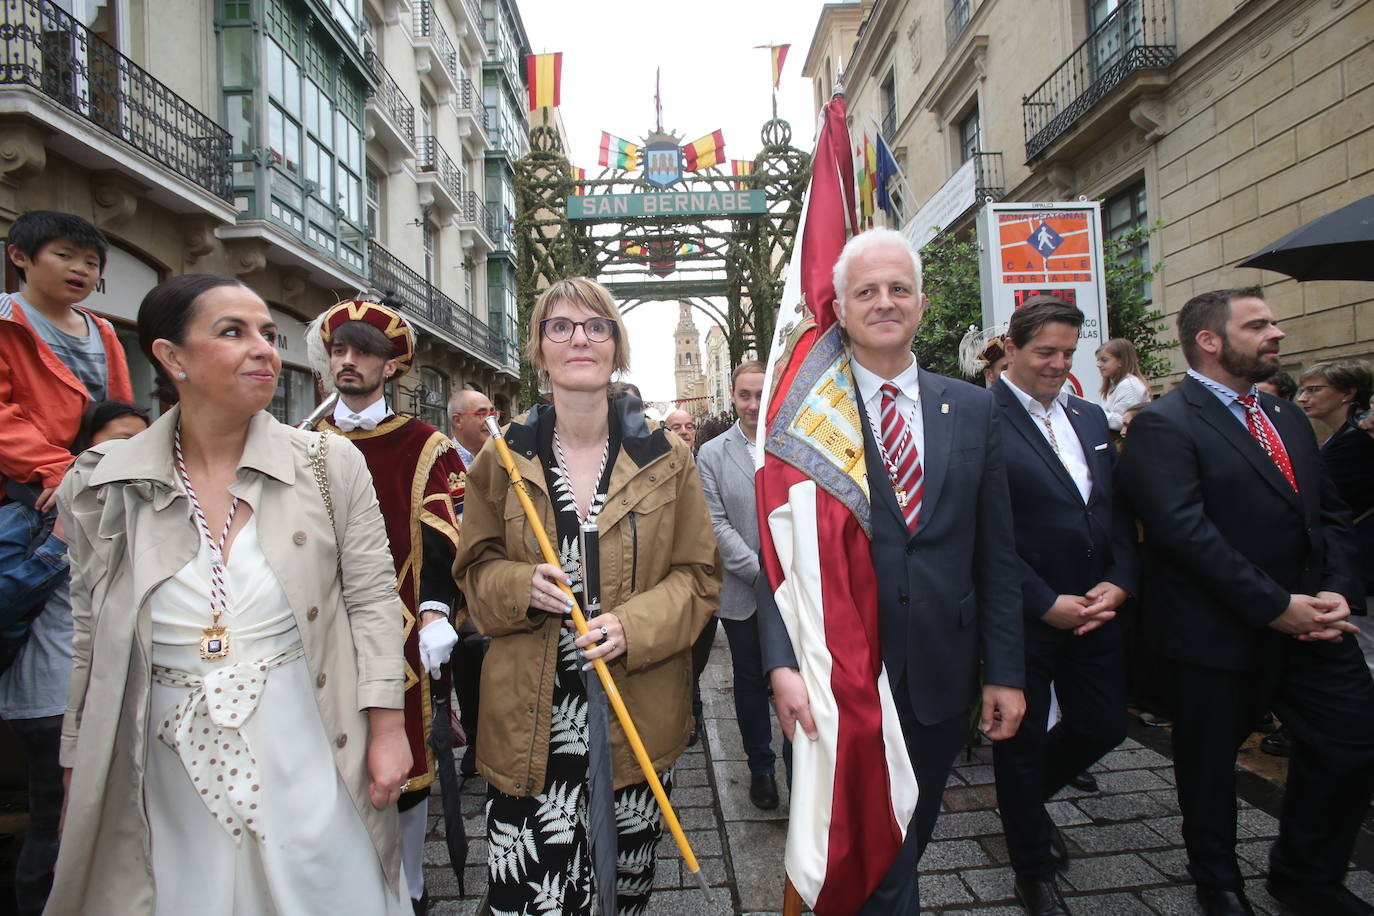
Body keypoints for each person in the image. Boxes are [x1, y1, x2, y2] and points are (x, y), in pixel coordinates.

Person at [47, 274, 413, 915]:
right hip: (164, 757)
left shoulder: (328, 465)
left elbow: (374, 601)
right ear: (172, 357)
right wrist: (78, 760)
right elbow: (89, 635)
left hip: (307, 739)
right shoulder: (105, 485)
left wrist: (388, 729)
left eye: (269, 335)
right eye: (233, 332)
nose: (264, 350)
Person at [758, 229, 1025, 913]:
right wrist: (779, 665)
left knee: (908, 840)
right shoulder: (807, 421)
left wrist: (1005, 672)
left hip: (941, 676)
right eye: (866, 291)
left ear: (922, 305)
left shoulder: (973, 408)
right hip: (836, 676)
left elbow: (996, 552)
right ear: (839, 310)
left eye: (898, 288)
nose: (884, 302)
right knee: (862, 861)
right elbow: (776, 553)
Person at [454, 277, 719, 915]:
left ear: (616, 348)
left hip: (633, 713)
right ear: (539, 350)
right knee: (529, 899)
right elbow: (473, 575)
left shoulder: (666, 458)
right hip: (530, 723)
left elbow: (699, 577)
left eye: (596, 326)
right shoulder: (502, 458)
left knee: (620, 895)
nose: (579, 338)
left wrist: (633, 625)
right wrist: (520, 585)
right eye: (561, 327)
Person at [1118, 287, 1374, 916]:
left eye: (1273, 323)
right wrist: (1273, 604)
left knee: (1352, 741)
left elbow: (1331, 516)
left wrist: (1337, 592)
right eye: (1258, 324)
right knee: (1208, 767)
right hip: (1218, 631)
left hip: (1315, 626)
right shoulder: (1164, 424)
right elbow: (1184, 534)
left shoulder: (1287, 418)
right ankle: (1219, 882)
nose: (1277, 333)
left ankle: (1306, 877)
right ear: (1210, 341)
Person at [310, 298, 464, 915]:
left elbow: (440, 538)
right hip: (317, 622)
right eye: (339, 351)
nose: (347, 362)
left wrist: (434, 612)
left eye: (362, 352)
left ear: (391, 366)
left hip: (399, 625)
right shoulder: (301, 442)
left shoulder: (425, 445)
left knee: (404, 760)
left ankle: (410, 889)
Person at [990, 298, 1138, 916]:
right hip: (1026, 613)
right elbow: (985, 532)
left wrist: (1121, 580)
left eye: (1067, 354)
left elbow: (1114, 511)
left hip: (1096, 607)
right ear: (1012, 348)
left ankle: (1023, 802)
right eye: (1045, 352)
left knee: (1104, 723)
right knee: (1019, 742)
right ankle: (1033, 866)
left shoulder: (1090, 416)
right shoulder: (982, 418)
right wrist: (1042, 601)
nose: (1057, 365)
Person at [0, 401, 147, 916]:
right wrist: (56, 546)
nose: (129, 454)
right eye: (115, 442)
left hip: (111, 697)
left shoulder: (141, 509)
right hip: (46, 700)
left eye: (140, 443)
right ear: (82, 452)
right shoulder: (33, 514)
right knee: (57, 822)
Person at [1, 211, 133, 508]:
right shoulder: (5, 320)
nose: (80, 269)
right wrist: (54, 467)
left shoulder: (104, 331)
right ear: (19, 256)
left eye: (91, 262)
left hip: (93, 474)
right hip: (25, 480)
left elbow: (119, 409)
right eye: (64, 255)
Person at [696, 360, 780, 810]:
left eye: (760, 395)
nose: (752, 405)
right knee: (749, 680)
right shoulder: (712, 454)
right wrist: (762, 574)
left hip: (799, 590)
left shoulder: (794, 441)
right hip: (745, 592)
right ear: (733, 397)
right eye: (745, 395)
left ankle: (800, 764)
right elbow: (716, 524)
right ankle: (761, 769)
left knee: (800, 678)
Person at [1297, 358, 1374, 678]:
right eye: (1302, 390)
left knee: (1365, 648)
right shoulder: (1344, 436)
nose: (1303, 398)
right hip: (1357, 555)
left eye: (1314, 390)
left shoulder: (1356, 440)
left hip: (1364, 556)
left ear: (1348, 393)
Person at [446, 387, 496, 776]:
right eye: (480, 413)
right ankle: (477, 743)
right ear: (458, 420)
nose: (488, 418)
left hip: (499, 579)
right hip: (456, 587)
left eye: (491, 411)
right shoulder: (441, 463)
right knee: (467, 658)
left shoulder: (504, 456)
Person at [1095, 338, 1150, 433]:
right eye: (1098, 360)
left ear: (1121, 361)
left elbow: (1121, 422)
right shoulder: (1113, 384)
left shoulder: (1129, 385)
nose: (1098, 365)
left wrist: (1092, 410)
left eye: (1104, 360)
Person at [448, 388, 496, 468]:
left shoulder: (503, 457)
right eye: (482, 414)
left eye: (492, 413)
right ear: (458, 421)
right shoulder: (444, 461)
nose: (490, 421)